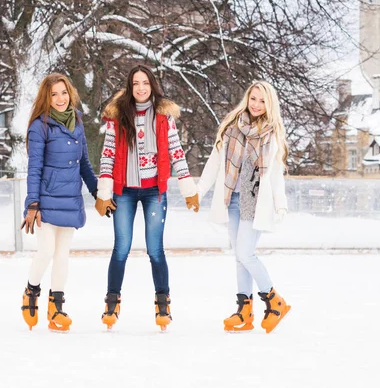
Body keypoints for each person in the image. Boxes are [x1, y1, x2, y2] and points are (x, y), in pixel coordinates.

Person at [95, 65, 199, 330]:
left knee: (155, 249)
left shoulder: (164, 116)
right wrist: (104, 192)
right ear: (129, 88)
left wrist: (189, 188)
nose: (141, 88)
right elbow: (107, 154)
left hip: (154, 191)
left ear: (152, 86)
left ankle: (162, 302)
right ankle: (112, 300)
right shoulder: (117, 117)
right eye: (135, 84)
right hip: (124, 191)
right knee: (121, 248)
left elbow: (176, 151)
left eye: (145, 83)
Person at [197, 81, 291, 333]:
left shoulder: (272, 134)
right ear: (247, 98)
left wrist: (281, 204)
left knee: (246, 253)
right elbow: (214, 162)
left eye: (262, 101)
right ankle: (244, 311)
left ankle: (275, 302)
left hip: (256, 202)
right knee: (239, 256)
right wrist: (198, 192)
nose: (257, 105)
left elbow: (275, 175)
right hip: (233, 200)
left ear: (269, 104)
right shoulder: (231, 127)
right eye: (253, 99)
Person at [20, 73, 97, 332]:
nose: (60, 98)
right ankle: (31, 291)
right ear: (46, 97)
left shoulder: (77, 122)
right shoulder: (39, 126)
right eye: (54, 94)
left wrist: (99, 194)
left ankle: (57, 308)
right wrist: (33, 204)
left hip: (70, 199)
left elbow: (84, 163)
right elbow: (35, 168)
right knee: (46, 251)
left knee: (63, 254)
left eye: (64, 92)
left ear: (70, 93)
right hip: (46, 201)